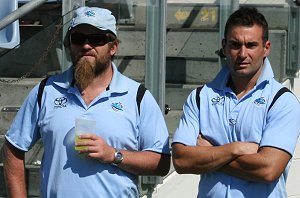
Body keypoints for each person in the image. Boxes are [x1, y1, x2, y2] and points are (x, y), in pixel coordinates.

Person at [3, 6, 170, 198]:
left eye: (96, 39)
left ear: (113, 47)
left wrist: (113, 155)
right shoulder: (46, 91)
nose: (86, 46)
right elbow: (13, 146)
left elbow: (162, 162)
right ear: (69, 44)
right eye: (78, 38)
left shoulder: (137, 96)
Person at [172, 7, 300, 198]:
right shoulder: (200, 97)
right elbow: (181, 161)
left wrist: (210, 153)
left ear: (266, 48)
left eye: (251, 45)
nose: (242, 54)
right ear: (224, 46)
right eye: (235, 44)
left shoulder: (282, 101)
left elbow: (268, 169)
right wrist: (236, 149)